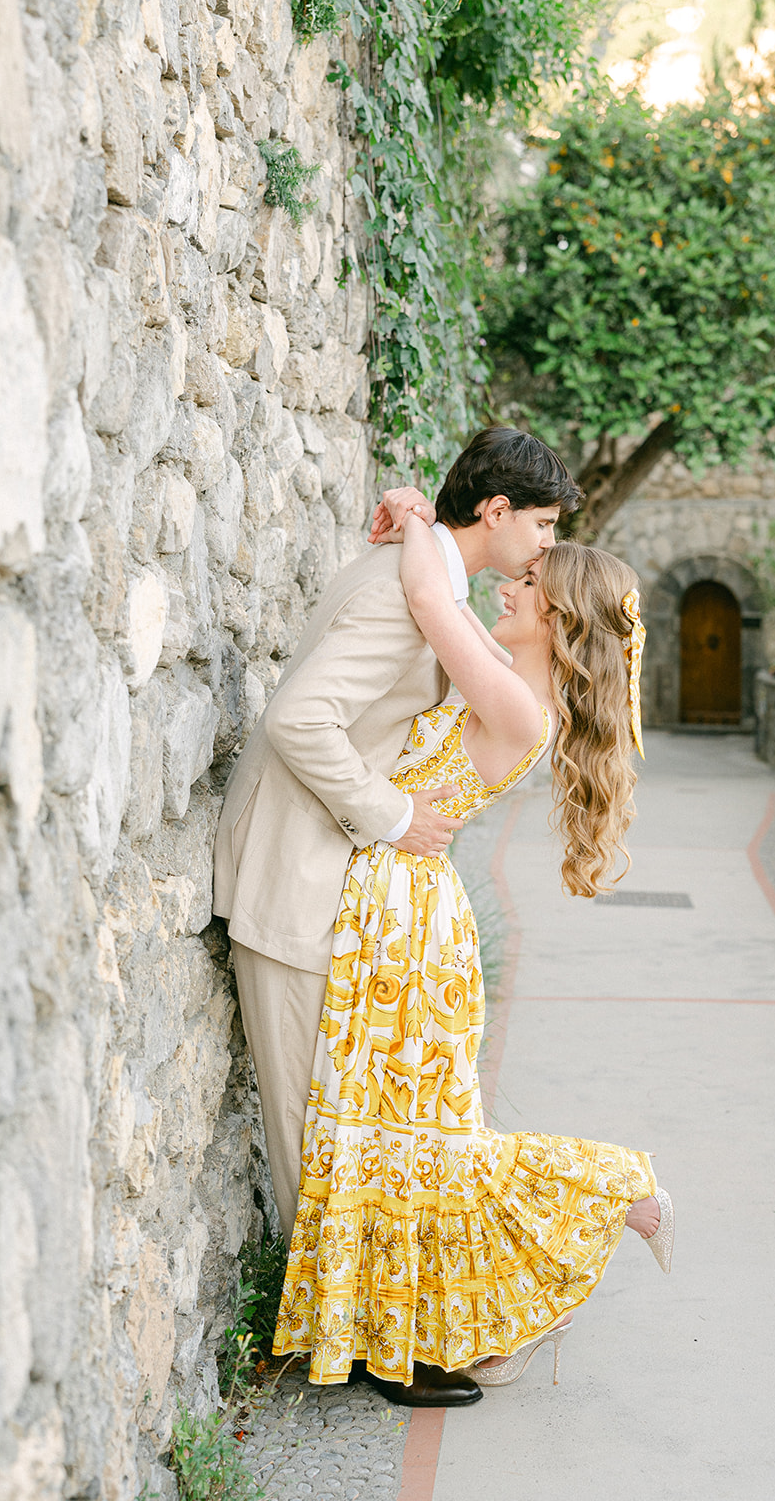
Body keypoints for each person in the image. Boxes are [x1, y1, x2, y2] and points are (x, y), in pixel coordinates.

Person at [270, 512, 674, 1407]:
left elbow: (425, 592)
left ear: (557, 619)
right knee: (396, 1140)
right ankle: (398, 1329)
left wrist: (417, 513)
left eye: (528, 586)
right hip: (398, 909)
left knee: (420, 1145)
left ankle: (609, 1194)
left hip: (408, 922)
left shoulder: (514, 701)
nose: (508, 585)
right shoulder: (503, 685)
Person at [212, 428, 582, 1322]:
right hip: (295, 880)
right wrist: (393, 815)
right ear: (495, 513)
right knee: (314, 1136)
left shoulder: (429, 590)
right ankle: (359, 1338)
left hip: (340, 887)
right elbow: (300, 722)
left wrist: (412, 505)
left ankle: (372, 1324)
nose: (543, 545)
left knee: (345, 1129)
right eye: (538, 525)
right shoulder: (403, 598)